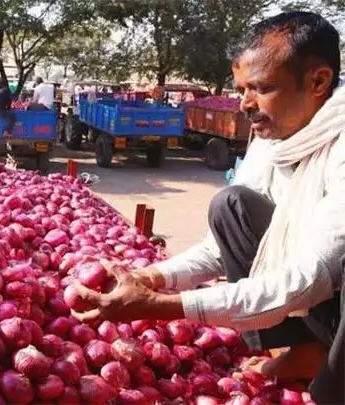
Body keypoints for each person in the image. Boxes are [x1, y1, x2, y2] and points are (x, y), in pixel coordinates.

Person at [72, 11, 344, 404]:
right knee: (231, 206)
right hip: (321, 294)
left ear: (318, 81)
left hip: (330, 285)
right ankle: (304, 350)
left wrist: (168, 307)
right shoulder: (271, 138)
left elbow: (311, 277)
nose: (246, 104)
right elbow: (221, 247)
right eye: (240, 90)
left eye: (261, 88)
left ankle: (333, 386)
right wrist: (151, 277)